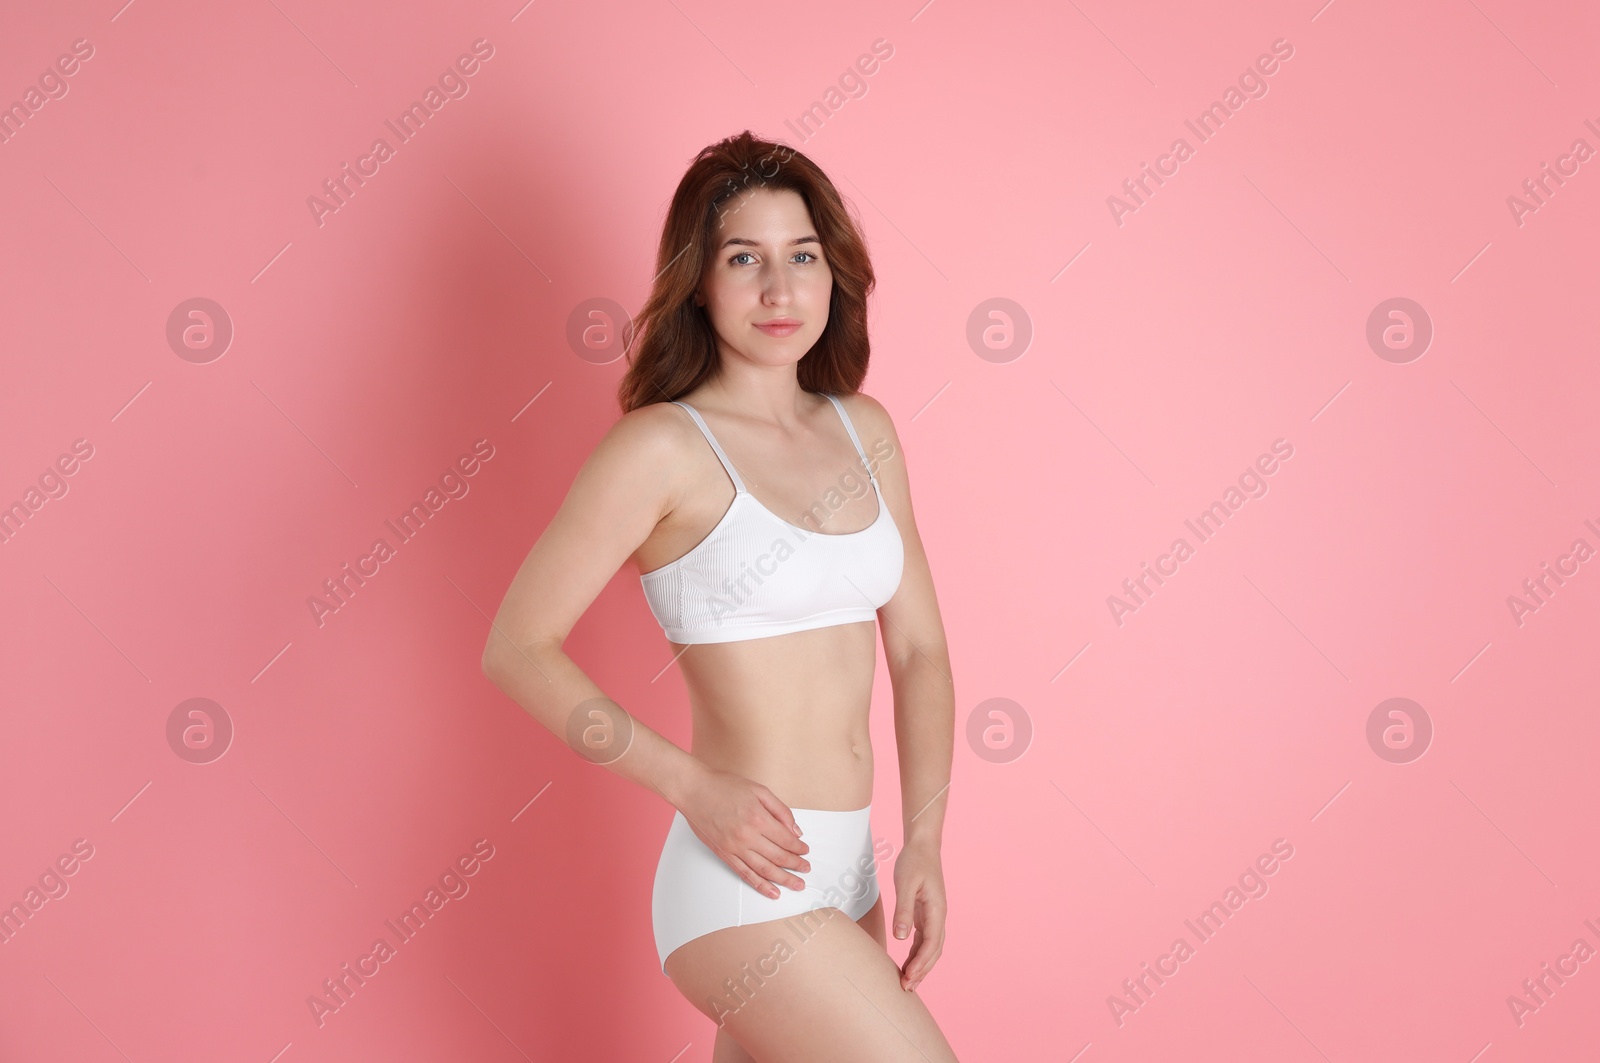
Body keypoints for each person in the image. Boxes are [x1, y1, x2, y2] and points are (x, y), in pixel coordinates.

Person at [481, 130, 959, 1062]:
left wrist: (927, 837)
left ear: (834, 275)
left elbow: (919, 650)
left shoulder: (867, 432)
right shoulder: (661, 447)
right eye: (745, 259)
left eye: (803, 257)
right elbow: (517, 646)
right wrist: (690, 785)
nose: (779, 291)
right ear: (700, 281)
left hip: (851, 869)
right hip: (741, 877)